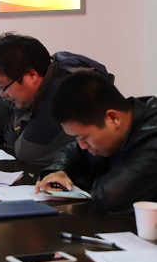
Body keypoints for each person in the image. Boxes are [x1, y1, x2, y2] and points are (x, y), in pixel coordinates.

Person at [35, 71, 157, 212]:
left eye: (84, 138)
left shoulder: (152, 137)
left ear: (113, 118)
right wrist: (58, 171)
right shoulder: (122, 119)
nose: (82, 146)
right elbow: (72, 151)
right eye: (76, 138)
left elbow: (108, 197)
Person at [0, 33, 112, 164]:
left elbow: (25, 152)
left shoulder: (64, 94)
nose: (2, 94)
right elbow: (10, 141)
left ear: (32, 75)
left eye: (3, 87)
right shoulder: (29, 97)